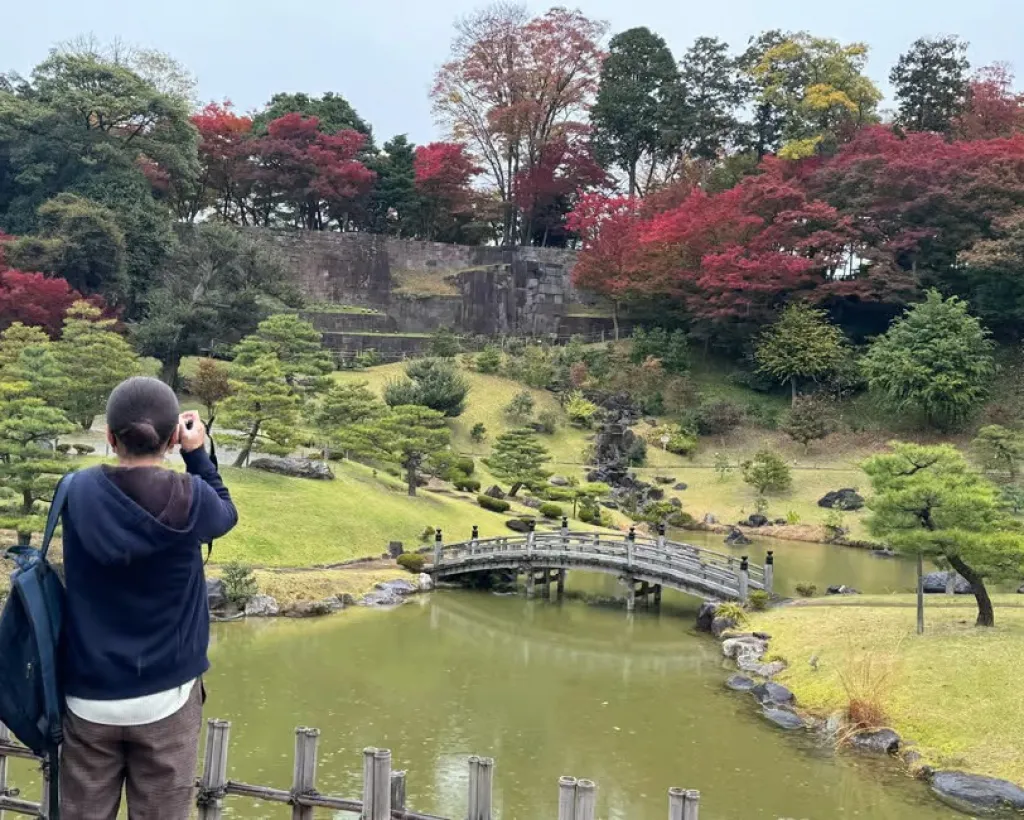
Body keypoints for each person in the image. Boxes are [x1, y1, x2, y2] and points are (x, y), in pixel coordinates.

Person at [59, 376, 239, 820]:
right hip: (168, 695)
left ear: (109, 436)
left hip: (88, 695)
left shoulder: (75, 491)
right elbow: (225, 513)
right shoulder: (190, 497)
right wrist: (197, 455)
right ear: (173, 436)